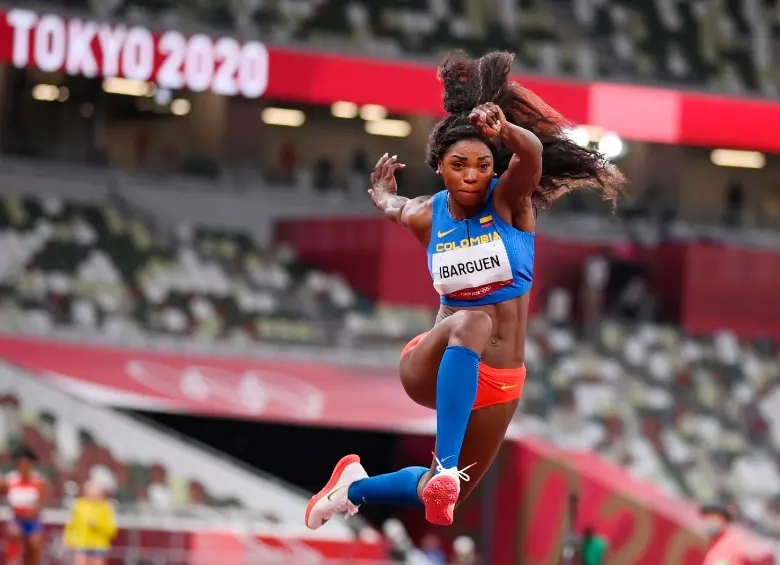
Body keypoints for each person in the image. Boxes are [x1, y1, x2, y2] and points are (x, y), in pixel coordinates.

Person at [304, 49, 626, 528]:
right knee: (474, 320)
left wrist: (507, 132)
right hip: (433, 363)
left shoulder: (510, 202)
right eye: (460, 165)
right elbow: (395, 207)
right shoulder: (426, 214)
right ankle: (448, 469)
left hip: (500, 380)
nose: (472, 175)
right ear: (440, 167)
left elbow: (532, 154)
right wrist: (386, 196)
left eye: (482, 164)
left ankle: (352, 488)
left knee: (442, 498)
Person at [1, 446, 47, 565]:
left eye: (27, 465)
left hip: (33, 520)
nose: (24, 468)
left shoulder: (38, 481)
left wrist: (31, 513)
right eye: (21, 465)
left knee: (35, 543)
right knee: (13, 534)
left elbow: (41, 504)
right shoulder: (10, 480)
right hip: (16, 519)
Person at [63, 480, 117, 565]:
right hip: (81, 543)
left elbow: (112, 529)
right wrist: (68, 540)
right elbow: (71, 524)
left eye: (96, 493)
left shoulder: (106, 508)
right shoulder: (79, 505)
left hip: (98, 546)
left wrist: (98, 526)